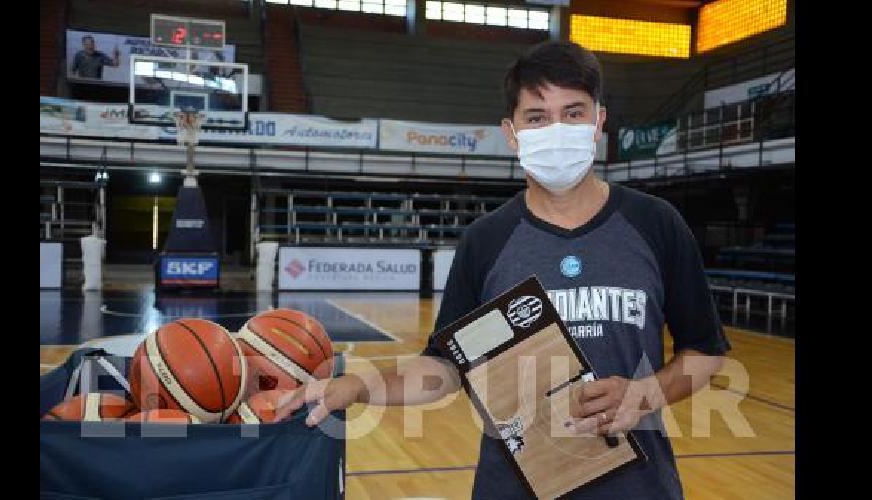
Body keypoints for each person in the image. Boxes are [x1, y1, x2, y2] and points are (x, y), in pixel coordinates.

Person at [275, 41, 730, 500]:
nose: (556, 130)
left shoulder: (656, 224)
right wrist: (356, 385)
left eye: (573, 113)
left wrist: (646, 394)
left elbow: (706, 350)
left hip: (639, 488)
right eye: (537, 117)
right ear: (512, 134)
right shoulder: (486, 241)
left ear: (599, 122)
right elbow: (446, 369)